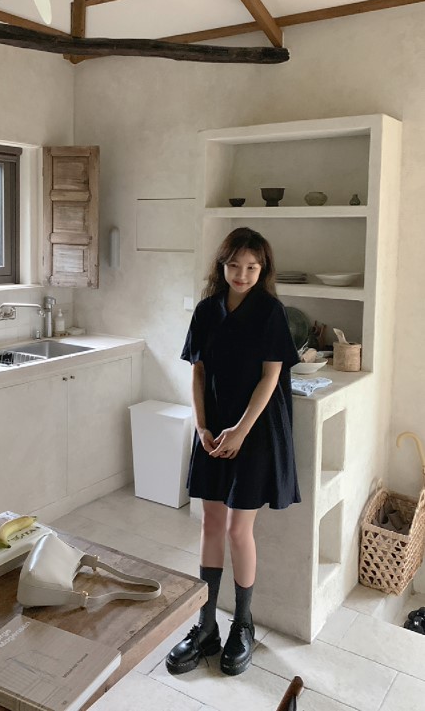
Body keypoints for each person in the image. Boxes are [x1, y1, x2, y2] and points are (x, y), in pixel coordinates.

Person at [165, 227, 300, 677]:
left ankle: (243, 625)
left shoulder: (271, 312)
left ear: (263, 270)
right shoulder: (207, 310)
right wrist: (201, 426)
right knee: (210, 523)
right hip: (214, 428)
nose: (242, 274)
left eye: (252, 267)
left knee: (239, 530)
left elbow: (271, 378)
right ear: (222, 265)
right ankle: (206, 626)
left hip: (254, 430)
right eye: (234, 265)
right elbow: (198, 372)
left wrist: (240, 431)